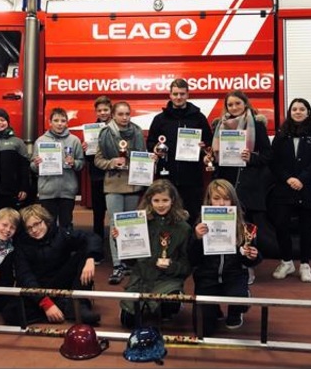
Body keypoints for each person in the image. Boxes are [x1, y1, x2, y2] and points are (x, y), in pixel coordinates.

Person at [206, 91, 272, 285]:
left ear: (245, 104)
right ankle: (226, 267)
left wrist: (251, 158)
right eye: (230, 105)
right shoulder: (220, 126)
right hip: (226, 186)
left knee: (246, 229)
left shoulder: (257, 125)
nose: (234, 108)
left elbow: (268, 155)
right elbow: (216, 157)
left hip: (248, 186)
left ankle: (247, 266)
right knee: (225, 228)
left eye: (237, 103)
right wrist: (210, 159)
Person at [2, 204, 103, 326]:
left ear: (46, 221)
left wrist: (90, 258)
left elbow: (91, 237)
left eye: (37, 224)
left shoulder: (61, 234)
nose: (34, 230)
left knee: (83, 254)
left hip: (62, 283)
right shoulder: (22, 245)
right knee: (10, 313)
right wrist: (46, 304)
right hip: (38, 288)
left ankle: (79, 304)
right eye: (29, 228)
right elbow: (25, 277)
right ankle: (67, 307)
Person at [114, 179, 192, 329]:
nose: (160, 204)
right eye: (156, 200)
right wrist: (120, 240)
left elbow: (187, 265)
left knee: (167, 310)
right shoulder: (138, 223)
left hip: (168, 280)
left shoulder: (183, 228)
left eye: (165, 200)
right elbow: (130, 262)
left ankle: (174, 302)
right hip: (141, 278)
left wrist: (171, 266)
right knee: (127, 321)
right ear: (149, 201)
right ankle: (142, 306)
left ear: (173, 200)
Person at [188, 179, 262, 336]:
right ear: (209, 200)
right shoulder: (200, 225)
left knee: (238, 297)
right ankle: (213, 309)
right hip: (207, 279)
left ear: (233, 201)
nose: (221, 204)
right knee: (203, 332)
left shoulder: (243, 227)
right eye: (216, 198)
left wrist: (252, 255)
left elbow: (254, 259)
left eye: (226, 198)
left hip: (233, 277)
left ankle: (237, 309)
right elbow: (192, 259)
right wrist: (196, 239)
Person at [270, 98, 311, 283]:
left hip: (308, 188)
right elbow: (274, 161)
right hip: (284, 188)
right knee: (281, 225)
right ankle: (286, 262)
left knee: (306, 228)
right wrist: (288, 178)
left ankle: (305, 265)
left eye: (301, 109)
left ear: (308, 112)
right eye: (294, 109)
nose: (297, 112)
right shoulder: (282, 134)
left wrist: (302, 179)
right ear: (290, 112)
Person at [147, 78, 213, 227]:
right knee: (167, 216)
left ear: (187, 95)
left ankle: (190, 249)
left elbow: (209, 141)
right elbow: (150, 143)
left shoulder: (199, 118)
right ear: (170, 95)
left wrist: (204, 145)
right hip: (167, 177)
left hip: (192, 178)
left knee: (192, 215)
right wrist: (156, 148)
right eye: (175, 94)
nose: (178, 97)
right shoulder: (160, 119)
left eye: (182, 94)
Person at [94, 101, 147, 285]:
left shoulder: (137, 132)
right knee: (115, 225)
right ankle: (117, 265)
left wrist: (148, 160)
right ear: (114, 115)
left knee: (131, 225)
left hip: (133, 184)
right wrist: (111, 162)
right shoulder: (105, 134)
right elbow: (98, 160)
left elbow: (144, 155)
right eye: (121, 114)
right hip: (113, 185)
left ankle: (129, 263)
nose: (124, 117)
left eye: (127, 114)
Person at [31, 107, 84, 228]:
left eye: (63, 121)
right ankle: (50, 247)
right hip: (47, 191)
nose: (59, 124)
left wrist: (74, 163)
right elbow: (33, 167)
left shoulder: (74, 140)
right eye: (56, 120)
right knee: (49, 225)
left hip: (67, 190)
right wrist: (36, 164)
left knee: (66, 224)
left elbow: (81, 163)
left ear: (67, 123)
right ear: (49, 122)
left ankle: (67, 247)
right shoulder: (40, 141)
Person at [82, 96, 112, 250]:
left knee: (115, 215)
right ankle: (97, 249)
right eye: (99, 110)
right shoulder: (91, 131)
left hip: (115, 177)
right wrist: (86, 149)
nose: (103, 113)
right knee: (98, 215)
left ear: (111, 110)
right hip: (97, 177)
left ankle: (119, 251)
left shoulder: (117, 127)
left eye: (105, 109)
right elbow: (88, 159)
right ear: (96, 111)